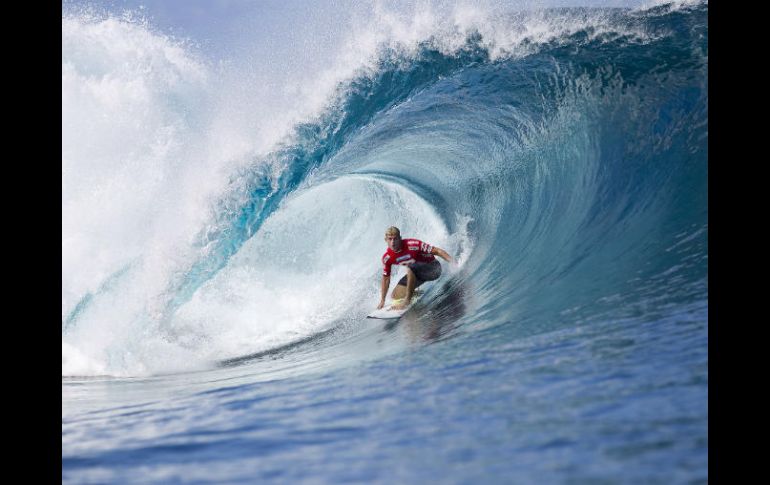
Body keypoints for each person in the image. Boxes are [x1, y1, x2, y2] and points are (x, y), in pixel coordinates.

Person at [377, 226, 453, 310]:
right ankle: (414, 294)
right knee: (395, 296)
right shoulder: (387, 257)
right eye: (390, 239)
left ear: (400, 238)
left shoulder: (413, 244)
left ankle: (407, 301)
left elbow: (437, 251)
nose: (393, 242)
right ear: (386, 240)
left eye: (395, 239)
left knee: (410, 267)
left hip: (433, 269)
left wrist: (454, 263)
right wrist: (382, 300)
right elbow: (386, 279)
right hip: (417, 274)